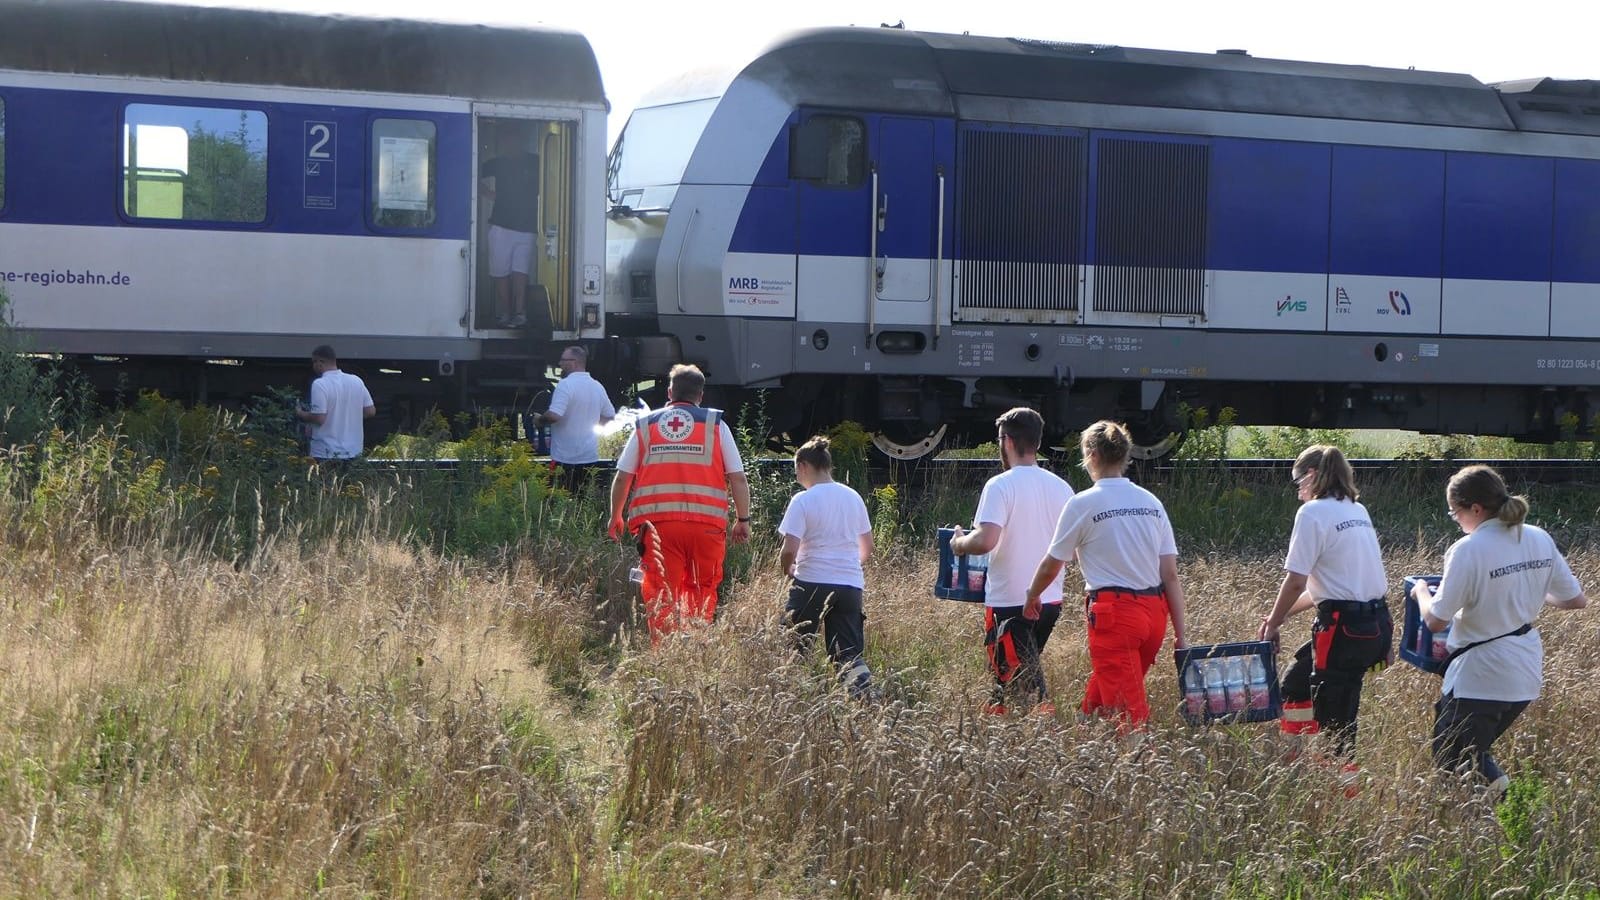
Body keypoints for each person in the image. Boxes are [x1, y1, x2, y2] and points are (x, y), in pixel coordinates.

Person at [1412, 464, 1587, 795]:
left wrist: (1421, 592)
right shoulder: (1538, 537)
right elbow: (1575, 600)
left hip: (1481, 674)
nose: (1457, 521)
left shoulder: (1468, 549)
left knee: (1455, 759)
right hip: (1524, 673)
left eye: (1455, 513)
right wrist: (1524, 590)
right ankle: (1491, 819)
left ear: (1475, 509)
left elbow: (1436, 620)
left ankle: (1510, 809)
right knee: (1468, 753)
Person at [1025, 420, 1188, 728]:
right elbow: (1170, 575)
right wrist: (1181, 636)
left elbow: (1051, 563)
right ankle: (1081, 730)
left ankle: (1140, 766)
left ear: (1091, 455)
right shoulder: (1151, 503)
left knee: (1129, 716)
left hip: (1115, 617)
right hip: (1154, 617)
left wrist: (1032, 595)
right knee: (1109, 686)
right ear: (1126, 456)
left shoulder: (1083, 503)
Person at [1258, 445, 1392, 760]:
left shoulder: (1312, 512)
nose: (1298, 492)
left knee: (1337, 725)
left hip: (1344, 630)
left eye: (1298, 482)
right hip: (1375, 625)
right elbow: (1330, 587)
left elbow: (1296, 581)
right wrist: (1278, 616)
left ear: (1313, 476)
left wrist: (1273, 625)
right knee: (1295, 685)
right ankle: (1296, 762)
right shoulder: (1356, 509)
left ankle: (1341, 791)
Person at [609, 364, 752, 643]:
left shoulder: (646, 425)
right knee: (702, 591)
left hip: (659, 528)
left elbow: (623, 477)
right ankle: (695, 651)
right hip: (707, 529)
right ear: (701, 395)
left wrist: (616, 515)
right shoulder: (715, 425)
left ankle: (665, 658)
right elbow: (738, 478)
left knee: (661, 593)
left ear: (669, 392)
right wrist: (743, 520)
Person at [949, 408, 1074, 715]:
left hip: (1010, 603)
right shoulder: (1062, 488)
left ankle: (1043, 739)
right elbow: (1071, 551)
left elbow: (986, 540)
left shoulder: (1000, 485)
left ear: (1007, 441)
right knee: (1007, 678)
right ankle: (999, 724)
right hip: (1051, 601)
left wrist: (959, 543)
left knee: (1027, 688)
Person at [777, 436, 875, 697]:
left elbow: (789, 549)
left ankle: (793, 698)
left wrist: (790, 569)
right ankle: (865, 698)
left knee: (793, 645)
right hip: (850, 585)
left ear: (804, 466)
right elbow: (867, 547)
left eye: (797, 470)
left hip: (811, 580)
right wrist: (849, 567)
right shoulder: (853, 497)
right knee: (848, 653)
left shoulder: (803, 500)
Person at [479, 123, 540, 328]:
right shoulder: (498, 163)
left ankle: (520, 313)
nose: (510, 143)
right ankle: (507, 312)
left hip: (527, 227)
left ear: (521, 141)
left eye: (513, 139)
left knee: (520, 272)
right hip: (501, 226)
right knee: (501, 273)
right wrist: (488, 194)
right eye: (506, 140)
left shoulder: (535, 162)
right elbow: (471, 173)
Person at [535, 345, 615, 492]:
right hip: (589, 457)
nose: (560, 364)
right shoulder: (597, 386)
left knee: (560, 498)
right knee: (582, 498)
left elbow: (554, 415)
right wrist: (590, 426)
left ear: (574, 362)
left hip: (564, 458)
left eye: (563, 360)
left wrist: (540, 420)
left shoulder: (565, 385)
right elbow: (610, 415)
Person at [294, 344, 375, 462]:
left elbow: (319, 418)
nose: (314, 366)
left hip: (326, 452)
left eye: (314, 362)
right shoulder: (356, 380)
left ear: (320, 362)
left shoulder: (320, 384)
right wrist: (348, 416)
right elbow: (370, 411)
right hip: (354, 452)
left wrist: (300, 413)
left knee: (325, 481)